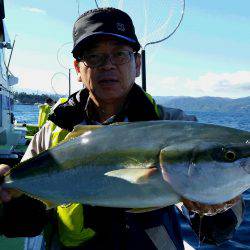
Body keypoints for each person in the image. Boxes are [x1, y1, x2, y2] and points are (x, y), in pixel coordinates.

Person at [0, 7, 244, 250]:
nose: (108, 65)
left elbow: (218, 232)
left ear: (137, 64)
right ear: (77, 69)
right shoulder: (53, 133)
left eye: (120, 54)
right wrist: (11, 196)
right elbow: (24, 225)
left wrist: (218, 209)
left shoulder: (175, 126)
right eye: (94, 56)